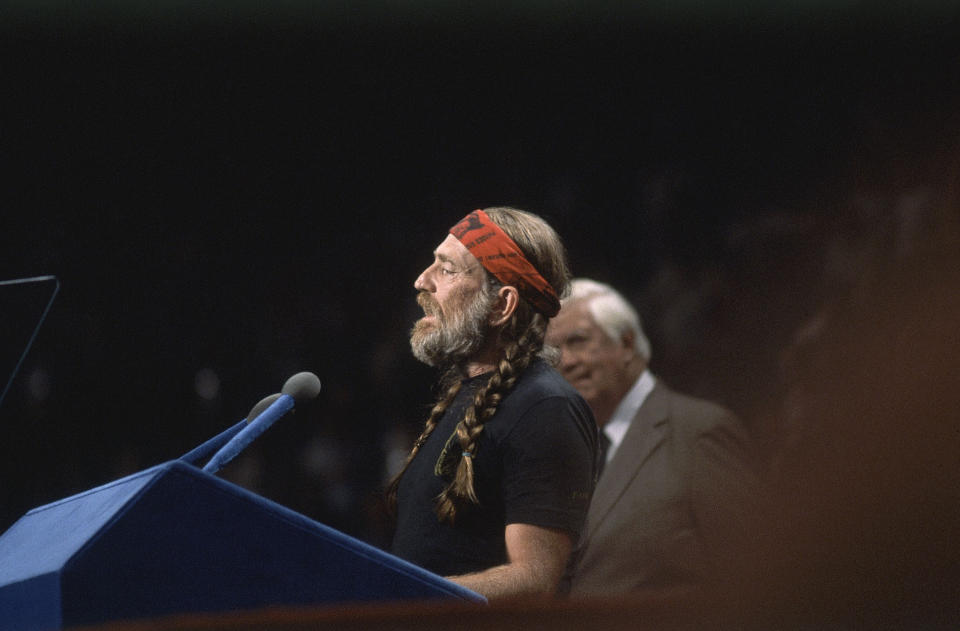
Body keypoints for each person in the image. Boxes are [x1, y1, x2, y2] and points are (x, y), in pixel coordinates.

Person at [387, 207, 597, 600]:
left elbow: (535, 580)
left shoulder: (545, 407)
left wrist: (403, 598)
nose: (422, 281)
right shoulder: (470, 393)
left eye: (447, 269)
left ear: (502, 305)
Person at [545, 278, 761, 595]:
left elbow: (754, 575)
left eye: (578, 341)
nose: (566, 362)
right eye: (553, 352)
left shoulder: (699, 432)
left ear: (627, 344)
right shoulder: (564, 453)